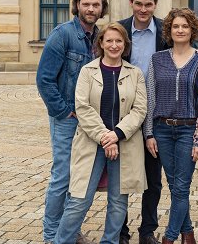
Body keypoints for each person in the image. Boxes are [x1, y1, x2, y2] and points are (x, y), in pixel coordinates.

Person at [53, 22, 148, 244]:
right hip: (91, 143)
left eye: (118, 41)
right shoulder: (88, 71)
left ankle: (110, 241)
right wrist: (106, 137)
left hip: (124, 143)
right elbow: (82, 107)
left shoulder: (135, 74)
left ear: (125, 44)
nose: (114, 45)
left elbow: (140, 109)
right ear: (101, 44)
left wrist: (117, 134)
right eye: (109, 41)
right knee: (79, 199)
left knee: (118, 202)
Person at [36, 0, 108, 244]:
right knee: (63, 177)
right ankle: (50, 235)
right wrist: (65, 112)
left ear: (102, 8)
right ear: (77, 4)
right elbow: (44, 80)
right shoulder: (62, 34)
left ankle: (69, 231)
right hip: (68, 120)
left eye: (96, 4)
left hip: (90, 121)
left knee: (80, 180)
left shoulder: (100, 37)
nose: (90, 8)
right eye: (86, 3)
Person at [144, 8, 198, 244]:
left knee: (182, 186)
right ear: (169, 30)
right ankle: (189, 233)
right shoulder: (157, 60)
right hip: (162, 129)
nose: (180, 30)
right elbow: (150, 97)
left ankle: (169, 237)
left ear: (192, 30)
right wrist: (149, 133)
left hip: (188, 130)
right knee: (174, 185)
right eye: (176, 26)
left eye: (185, 26)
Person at [118, 0, 168, 244]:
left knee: (153, 179)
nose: (143, 9)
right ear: (131, 3)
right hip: (123, 113)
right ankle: (121, 231)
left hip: (156, 113)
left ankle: (147, 231)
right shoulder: (119, 29)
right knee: (123, 177)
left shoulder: (165, 32)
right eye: (138, 3)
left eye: (148, 4)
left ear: (155, 5)